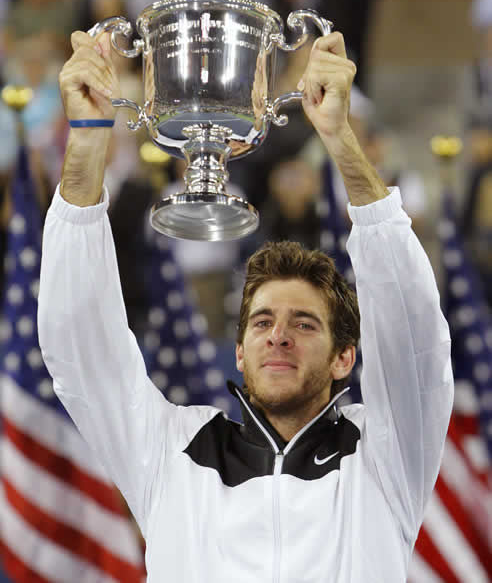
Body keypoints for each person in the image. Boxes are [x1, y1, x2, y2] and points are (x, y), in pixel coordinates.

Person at [38, 29, 453, 582]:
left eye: (304, 324)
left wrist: (341, 141)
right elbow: (78, 341)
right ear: (238, 352)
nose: (278, 335)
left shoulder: (385, 453)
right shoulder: (173, 454)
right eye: (263, 322)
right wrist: (87, 142)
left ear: (344, 358)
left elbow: (413, 329)